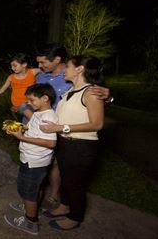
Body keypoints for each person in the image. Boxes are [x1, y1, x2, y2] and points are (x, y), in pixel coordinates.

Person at [20, 44, 111, 207]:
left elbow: (94, 107)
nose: (40, 66)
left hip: (69, 136)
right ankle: (37, 200)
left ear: (57, 60)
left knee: (64, 173)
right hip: (49, 130)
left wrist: (109, 98)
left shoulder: (79, 83)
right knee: (46, 167)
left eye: (43, 62)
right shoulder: (43, 77)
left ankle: (57, 199)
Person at [39, 55, 105, 230]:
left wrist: (61, 127)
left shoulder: (91, 92)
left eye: (67, 66)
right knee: (66, 178)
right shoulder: (70, 91)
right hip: (65, 143)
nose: (63, 70)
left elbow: (97, 124)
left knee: (74, 182)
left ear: (79, 69)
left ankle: (75, 217)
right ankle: (64, 205)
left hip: (81, 145)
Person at [4, 83, 58, 235]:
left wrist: (21, 138)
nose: (28, 103)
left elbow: (51, 143)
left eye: (32, 100)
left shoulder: (48, 117)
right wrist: (21, 129)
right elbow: (36, 130)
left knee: (28, 190)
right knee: (35, 188)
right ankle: (33, 207)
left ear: (45, 98)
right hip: (31, 159)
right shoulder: (39, 112)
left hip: (35, 162)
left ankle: (30, 222)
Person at [0, 53, 40, 121]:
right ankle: (35, 123)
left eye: (15, 66)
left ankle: (36, 123)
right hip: (19, 105)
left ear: (24, 64)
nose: (12, 68)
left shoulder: (33, 72)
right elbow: (1, 90)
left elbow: (46, 70)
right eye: (11, 66)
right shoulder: (11, 78)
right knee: (24, 108)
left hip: (31, 102)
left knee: (28, 111)